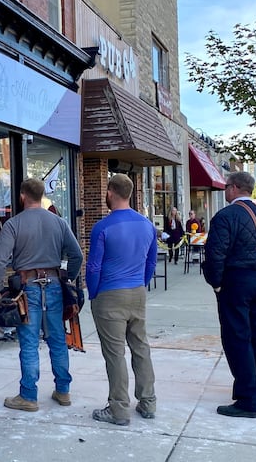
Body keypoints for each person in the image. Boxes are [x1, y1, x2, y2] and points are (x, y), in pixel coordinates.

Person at [0, 178, 83, 412]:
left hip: (27, 287)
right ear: (42, 196)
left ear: (23, 195)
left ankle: (29, 395)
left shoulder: (14, 224)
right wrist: (68, 278)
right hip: (53, 284)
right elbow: (77, 256)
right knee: (57, 340)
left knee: (30, 342)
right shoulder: (59, 222)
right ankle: (63, 391)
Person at [203, 171, 256, 418]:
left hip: (235, 282)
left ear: (234, 188)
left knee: (238, 339)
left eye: (226, 187)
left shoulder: (225, 217)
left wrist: (216, 283)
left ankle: (248, 398)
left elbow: (215, 255)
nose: (225, 191)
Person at [87, 174, 158, 426]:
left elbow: (94, 267)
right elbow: (151, 262)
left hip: (109, 293)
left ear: (109, 192)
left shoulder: (102, 227)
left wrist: (93, 293)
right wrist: (141, 282)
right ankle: (148, 401)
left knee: (115, 353)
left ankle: (118, 408)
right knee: (140, 347)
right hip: (136, 291)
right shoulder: (147, 225)